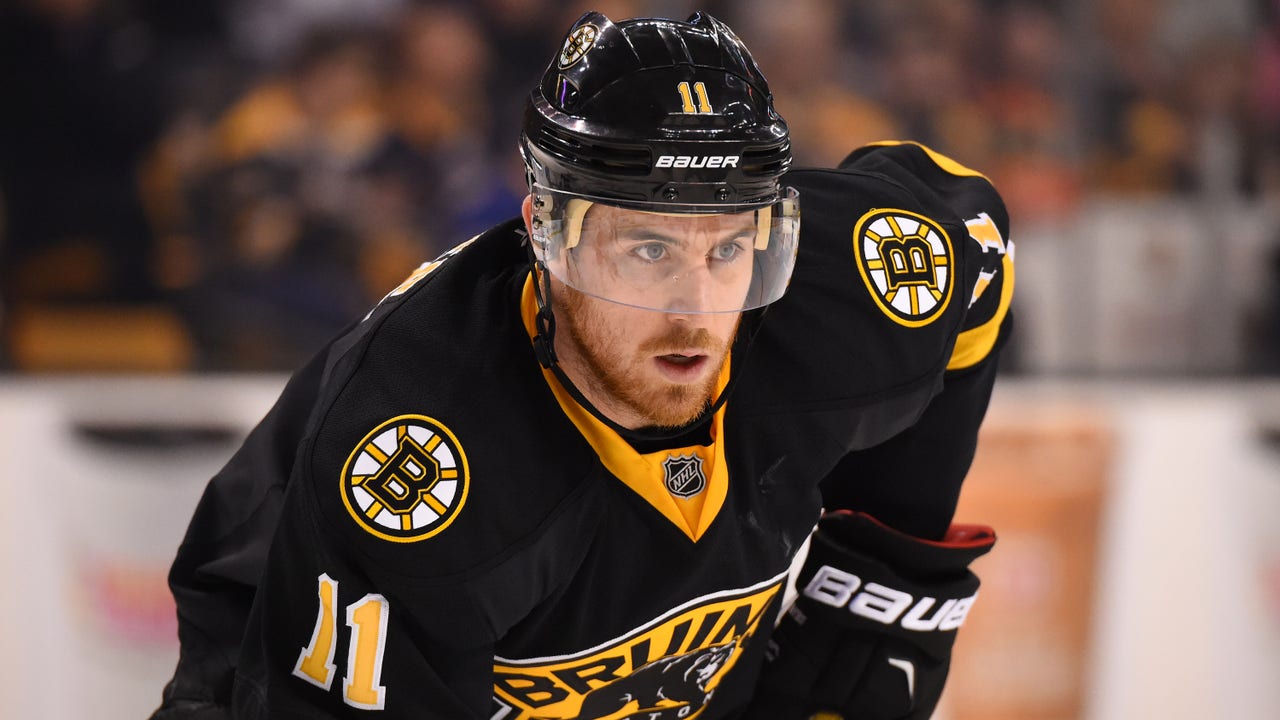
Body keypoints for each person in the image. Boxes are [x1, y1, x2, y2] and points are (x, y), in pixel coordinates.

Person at [152, 10, 1013, 720]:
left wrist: (886, 576)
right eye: (647, 250)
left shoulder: (842, 293)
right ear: (546, 235)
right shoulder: (416, 467)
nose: (694, 312)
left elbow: (980, 251)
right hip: (292, 639)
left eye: (727, 251)